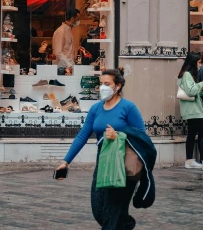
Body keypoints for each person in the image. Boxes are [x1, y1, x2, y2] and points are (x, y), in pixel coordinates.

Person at [54, 68, 147, 230]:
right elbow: (83, 135)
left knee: (112, 212)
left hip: (124, 164)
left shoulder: (128, 107)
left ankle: (121, 223)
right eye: (101, 84)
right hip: (103, 162)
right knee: (99, 210)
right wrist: (65, 161)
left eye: (107, 84)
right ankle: (125, 224)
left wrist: (118, 136)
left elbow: (142, 136)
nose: (102, 87)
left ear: (117, 86)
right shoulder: (96, 109)